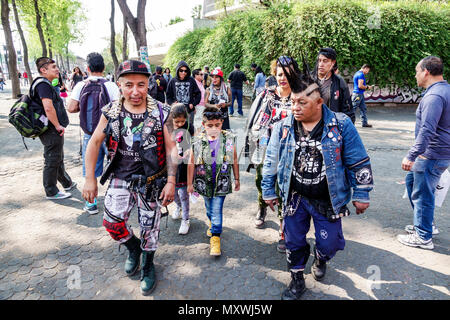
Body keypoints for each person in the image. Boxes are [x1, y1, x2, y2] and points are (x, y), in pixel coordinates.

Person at [262, 59, 373, 300]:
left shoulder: (341, 125)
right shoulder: (283, 127)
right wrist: (268, 190)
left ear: (319, 102)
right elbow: (271, 160)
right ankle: (297, 280)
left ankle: (321, 258)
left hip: (327, 198)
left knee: (330, 243)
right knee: (293, 241)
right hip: (295, 196)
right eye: (293, 102)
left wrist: (362, 194)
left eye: (303, 102)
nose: (295, 107)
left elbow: (358, 162)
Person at [82, 60, 177, 296]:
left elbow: (173, 148)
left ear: (149, 85)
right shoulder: (111, 111)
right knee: (112, 222)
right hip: (119, 177)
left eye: (141, 85)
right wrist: (89, 178)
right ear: (120, 85)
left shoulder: (162, 112)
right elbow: (94, 143)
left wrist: (172, 181)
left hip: (151, 180)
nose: (135, 92)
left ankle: (148, 263)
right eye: (129, 85)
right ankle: (133, 248)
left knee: (149, 228)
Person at [397, 56, 449, 250]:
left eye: (417, 72)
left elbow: (428, 129)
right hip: (438, 152)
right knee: (412, 183)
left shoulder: (434, 96)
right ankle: (427, 225)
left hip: (431, 154)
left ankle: (423, 236)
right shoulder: (446, 90)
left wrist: (411, 155)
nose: (416, 76)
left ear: (426, 71)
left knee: (423, 194)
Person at [244, 56, 295, 253]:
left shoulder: (299, 97)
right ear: (275, 74)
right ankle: (262, 207)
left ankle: (283, 229)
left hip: (289, 152)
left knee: (286, 189)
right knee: (262, 182)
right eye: (280, 74)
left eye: (287, 74)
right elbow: (255, 121)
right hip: (265, 149)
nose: (283, 78)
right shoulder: (267, 95)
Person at [68, 52, 120, 214]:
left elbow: (71, 108)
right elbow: (119, 108)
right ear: (103, 68)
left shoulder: (80, 86)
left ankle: (91, 203)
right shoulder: (110, 86)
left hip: (90, 133)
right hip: (111, 133)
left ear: (88, 68)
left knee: (90, 169)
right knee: (116, 166)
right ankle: (117, 200)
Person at [187, 106, 240, 256]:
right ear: (203, 125)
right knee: (209, 208)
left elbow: (234, 159)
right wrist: (190, 183)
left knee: (216, 210)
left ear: (222, 123)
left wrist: (237, 178)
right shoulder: (197, 141)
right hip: (203, 183)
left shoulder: (228, 139)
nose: (214, 129)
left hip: (221, 184)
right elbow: (191, 163)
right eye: (210, 126)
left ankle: (216, 238)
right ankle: (212, 223)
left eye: (217, 125)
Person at [34, 57, 75, 200]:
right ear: (43, 70)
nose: (57, 69)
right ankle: (51, 191)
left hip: (52, 128)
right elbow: (48, 108)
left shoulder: (47, 83)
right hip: (50, 129)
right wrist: (57, 125)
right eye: (53, 67)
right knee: (52, 159)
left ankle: (66, 182)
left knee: (58, 157)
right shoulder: (43, 85)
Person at [312, 47, 355, 123]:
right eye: (319, 60)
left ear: (333, 62)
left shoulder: (339, 82)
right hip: (310, 126)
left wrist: (348, 129)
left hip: (331, 126)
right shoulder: (308, 80)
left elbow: (347, 110)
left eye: (325, 61)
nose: (321, 64)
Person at [170, 104, 195, 234]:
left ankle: (185, 219)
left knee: (183, 194)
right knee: (173, 193)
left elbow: (194, 142)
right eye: (177, 121)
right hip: (171, 168)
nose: (180, 124)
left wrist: (190, 151)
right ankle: (178, 206)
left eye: (182, 121)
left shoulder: (189, 128)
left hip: (184, 167)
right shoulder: (167, 128)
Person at [166, 61, 201, 130]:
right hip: (177, 112)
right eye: (181, 70)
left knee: (189, 130)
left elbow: (198, 93)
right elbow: (168, 95)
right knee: (178, 131)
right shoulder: (173, 81)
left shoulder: (191, 80)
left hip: (189, 111)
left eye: (185, 71)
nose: (183, 73)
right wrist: (172, 103)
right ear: (177, 70)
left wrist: (193, 104)